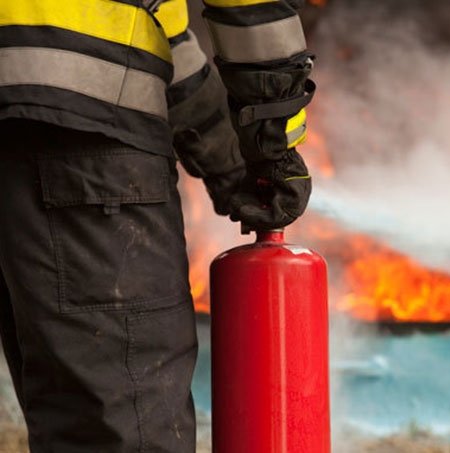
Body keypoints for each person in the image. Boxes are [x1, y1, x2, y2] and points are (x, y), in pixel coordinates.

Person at [0, 0, 315, 451]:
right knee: (128, 423)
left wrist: (228, 159)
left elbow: (152, 30)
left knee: (74, 412)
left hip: (27, 121)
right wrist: (275, 143)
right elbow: (252, 11)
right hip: (88, 138)